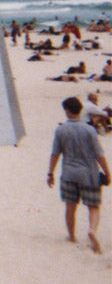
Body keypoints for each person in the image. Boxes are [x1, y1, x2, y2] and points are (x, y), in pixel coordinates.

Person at [47, 97, 109, 254]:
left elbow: (55, 154)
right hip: (89, 174)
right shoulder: (89, 130)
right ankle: (92, 231)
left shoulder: (61, 130)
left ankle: (72, 236)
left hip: (69, 173)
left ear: (68, 111)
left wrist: (50, 173)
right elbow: (99, 155)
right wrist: (108, 173)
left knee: (70, 206)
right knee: (93, 206)